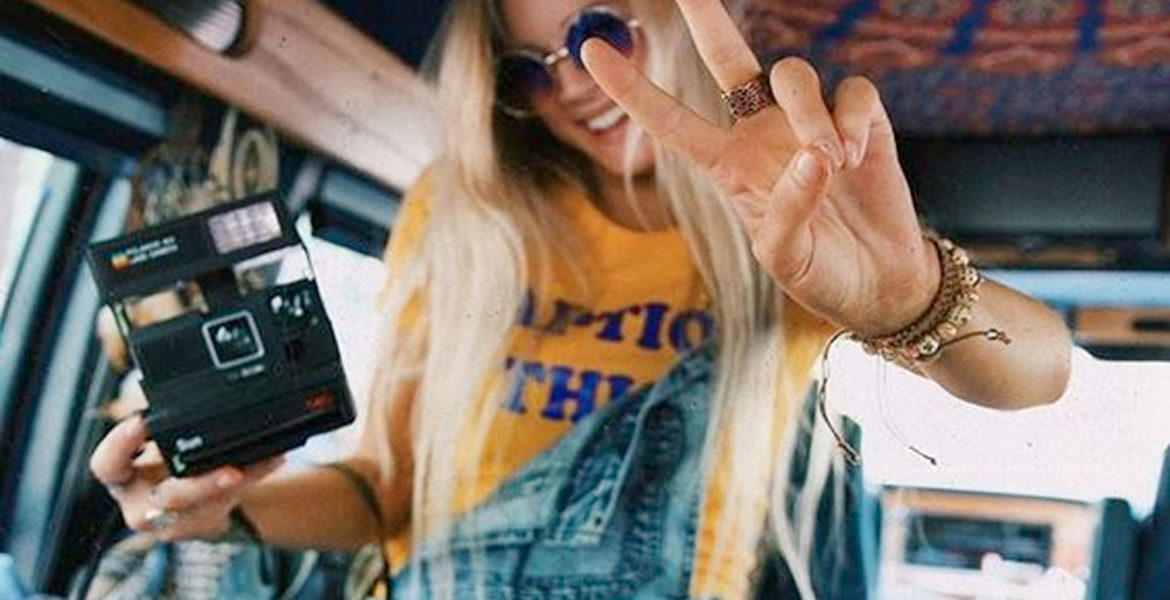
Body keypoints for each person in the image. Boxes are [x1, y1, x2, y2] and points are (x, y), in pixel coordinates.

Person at [90, 0, 1073, 598]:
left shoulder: (783, 221)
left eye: (598, 34)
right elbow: (380, 491)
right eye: (529, 71)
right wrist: (220, 511)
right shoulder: (458, 215)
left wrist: (909, 300)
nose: (574, 87)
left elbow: (1042, 375)